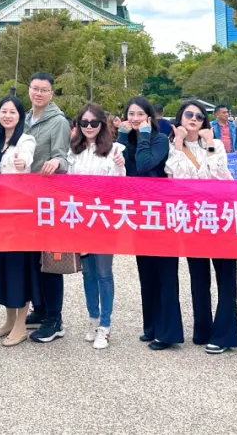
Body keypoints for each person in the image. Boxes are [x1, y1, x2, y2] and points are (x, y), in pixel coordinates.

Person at [166, 100, 237, 355]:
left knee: (226, 276)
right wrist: (177, 143)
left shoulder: (216, 145)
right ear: (180, 117)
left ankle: (225, 334)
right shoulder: (172, 147)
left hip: (220, 216)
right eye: (189, 114)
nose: (194, 118)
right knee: (198, 277)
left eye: (199, 116)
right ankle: (203, 329)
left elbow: (218, 177)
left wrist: (209, 146)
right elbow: (177, 179)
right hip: (191, 219)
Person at [116, 97, 177, 351]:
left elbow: (143, 167)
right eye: (131, 114)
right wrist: (121, 136)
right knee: (146, 272)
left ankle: (168, 332)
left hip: (161, 213)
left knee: (165, 273)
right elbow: (116, 168)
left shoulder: (160, 139)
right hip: (138, 213)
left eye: (140, 114)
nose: (135, 118)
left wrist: (142, 135)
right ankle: (150, 326)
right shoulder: (127, 140)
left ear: (149, 117)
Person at [0, 95, 39, 348]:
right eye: (3, 112)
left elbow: (25, 160)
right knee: (1, 264)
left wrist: (22, 163)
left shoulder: (26, 140)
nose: (7, 116)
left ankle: (20, 325)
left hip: (19, 213)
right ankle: (8, 320)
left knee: (19, 267)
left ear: (20, 116)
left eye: (12, 112)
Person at [17, 73, 72, 344]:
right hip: (25, 198)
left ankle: (55, 318)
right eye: (35, 88)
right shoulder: (24, 118)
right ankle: (40, 309)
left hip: (48, 199)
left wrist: (56, 163)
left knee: (51, 261)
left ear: (51, 94)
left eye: (44, 90)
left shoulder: (59, 121)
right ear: (29, 90)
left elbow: (63, 155)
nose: (39, 93)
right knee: (33, 260)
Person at [67, 103, 124, 350]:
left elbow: (121, 185)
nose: (89, 127)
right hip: (80, 219)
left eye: (93, 122)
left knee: (103, 272)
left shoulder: (114, 150)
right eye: (84, 122)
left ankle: (106, 325)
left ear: (102, 124)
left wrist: (121, 165)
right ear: (78, 125)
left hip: (103, 219)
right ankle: (93, 318)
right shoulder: (73, 150)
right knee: (88, 272)